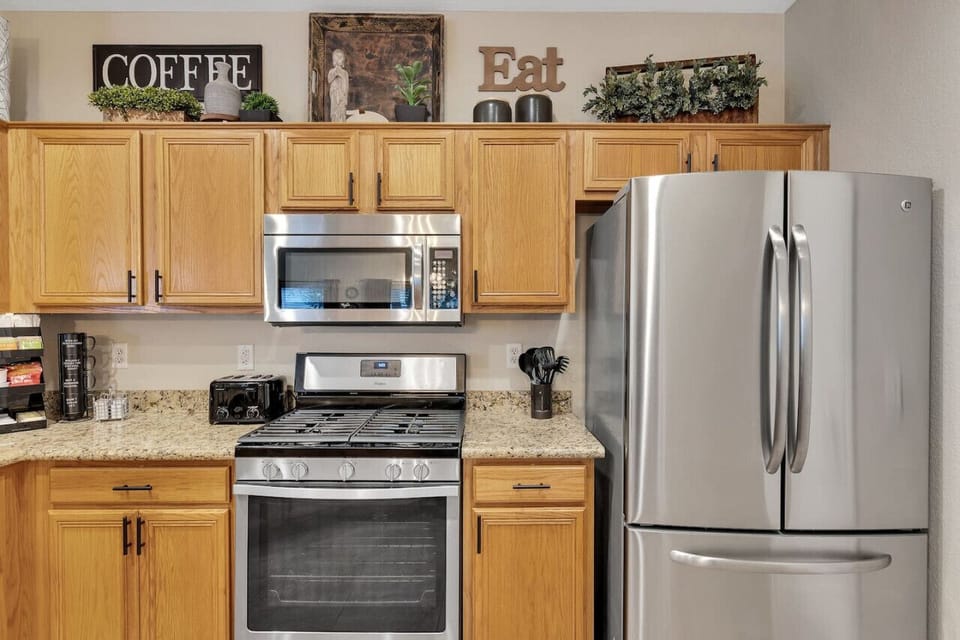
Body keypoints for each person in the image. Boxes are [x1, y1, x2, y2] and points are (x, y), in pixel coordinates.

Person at [328, 49, 349, 122]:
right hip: (334, 93)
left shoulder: (345, 73)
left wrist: (345, 97)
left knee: (342, 111)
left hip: (342, 94)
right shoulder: (331, 71)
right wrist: (335, 73)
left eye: (341, 58)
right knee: (334, 111)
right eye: (338, 58)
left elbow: (346, 85)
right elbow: (329, 80)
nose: (341, 60)